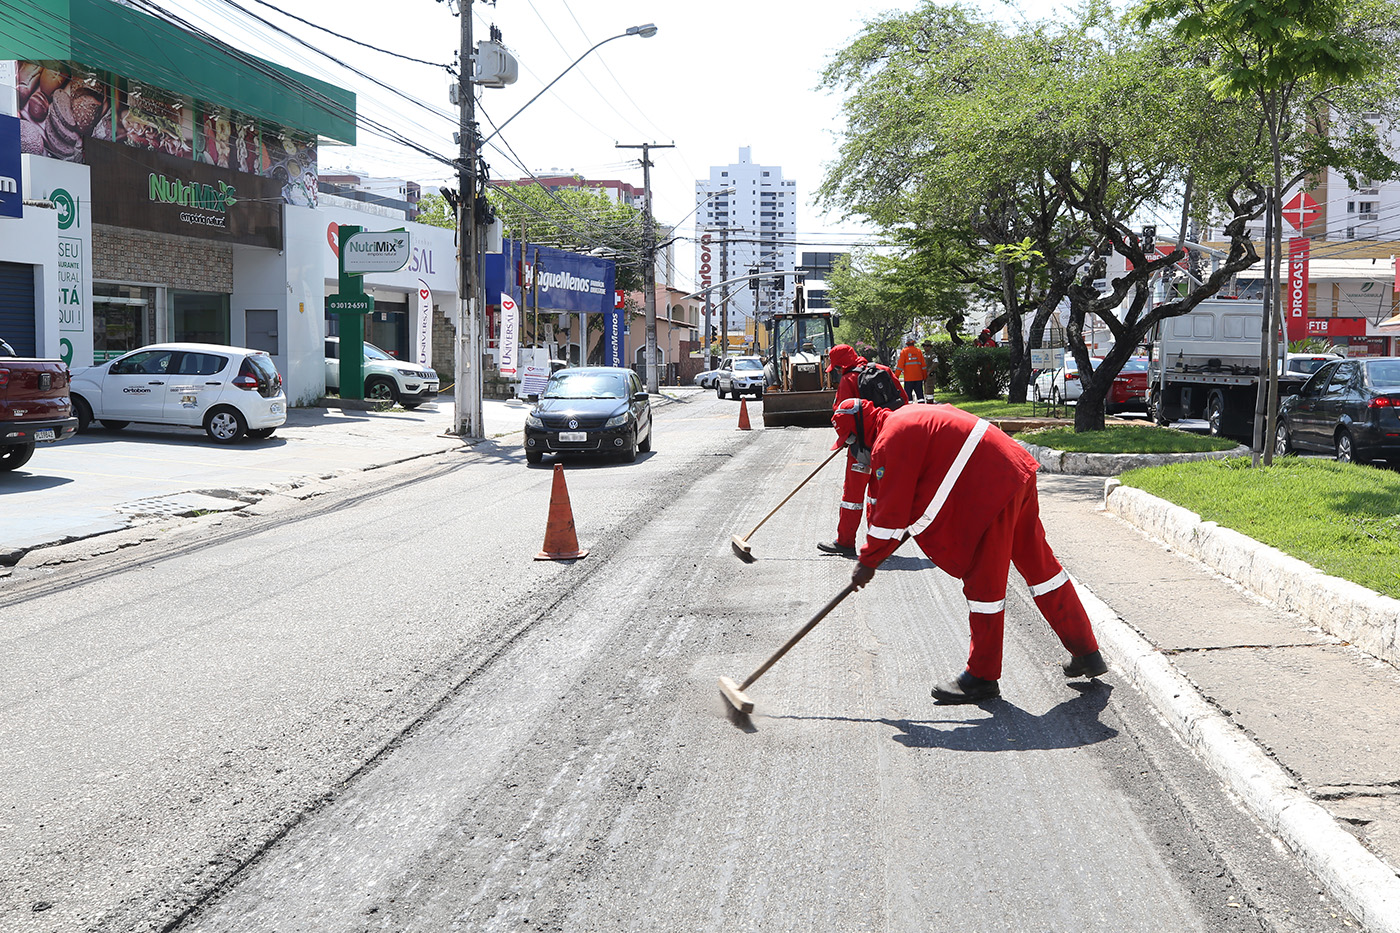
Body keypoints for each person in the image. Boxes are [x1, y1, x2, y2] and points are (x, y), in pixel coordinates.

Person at [835, 397, 1107, 703]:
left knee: (983, 584)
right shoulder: (903, 417)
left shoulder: (889, 441)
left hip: (991, 487)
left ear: (859, 433)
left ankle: (982, 676)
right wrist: (886, 544)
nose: (852, 452)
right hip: (1014, 468)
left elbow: (890, 512)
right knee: (1041, 569)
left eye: (849, 444)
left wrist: (867, 561)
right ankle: (1086, 651)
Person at [817, 344, 909, 557]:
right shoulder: (884, 370)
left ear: (841, 366)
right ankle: (880, 544)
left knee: (852, 497)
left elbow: (839, 414)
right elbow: (903, 401)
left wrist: (849, 439)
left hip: (861, 448)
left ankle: (845, 542)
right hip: (887, 444)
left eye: (837, 368)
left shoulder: (848, 380)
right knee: (879, 496)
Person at [894, 337, 928, 402]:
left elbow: (900, 366)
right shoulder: (918, 351)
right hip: (918, 378)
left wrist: (896, 376)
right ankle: (922, 408)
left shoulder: (904, 351)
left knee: (908, 398)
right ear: (913, 343)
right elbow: (923, 366)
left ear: (907, 344)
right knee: (920, 397)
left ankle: (910, 409)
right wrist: (925, 376)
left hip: (908, 379)